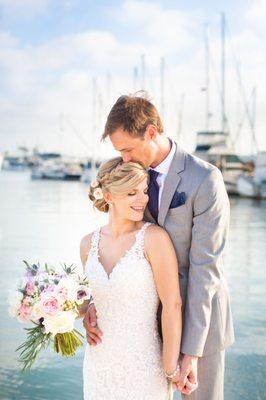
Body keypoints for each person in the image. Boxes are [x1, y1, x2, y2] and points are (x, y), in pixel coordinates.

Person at [84, 92, 235, 400]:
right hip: (148, 329)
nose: (123, 158)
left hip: (199, 325)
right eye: (118, 151)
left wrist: (190, 352)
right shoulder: (130, 177)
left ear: (151, 132)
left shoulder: (205, 179)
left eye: (127, 148)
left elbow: (206, 270)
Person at [80, 157, 186, 400]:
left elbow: (173, 305)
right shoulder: (87, 244)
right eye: (131, 193)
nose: (143, 200)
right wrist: (73, 312)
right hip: (99, 364)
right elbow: (93, 299)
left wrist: (170, 368)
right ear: (108, 196)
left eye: (145, 190)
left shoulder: (154, 239)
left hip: (144, 369)